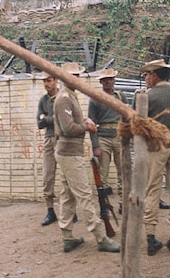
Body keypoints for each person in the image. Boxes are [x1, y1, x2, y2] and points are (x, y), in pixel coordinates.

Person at [53, 62, 120, 254]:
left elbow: (71, 123)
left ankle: (67, 237)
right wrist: (87, 126)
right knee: (84, 195)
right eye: (73, 76)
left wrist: (83, 122)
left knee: (67, 196)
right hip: (69, 153)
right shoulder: (64, 98)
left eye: (77, 75)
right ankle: (100, 237)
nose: (76, 79)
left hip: (69, 152)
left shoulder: (69, 96)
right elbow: (68, 129)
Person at [139, 59, 170, 256]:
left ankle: (150, 236)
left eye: (148, 75)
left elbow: (140, 123)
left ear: (155, 75)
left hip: (156, 145)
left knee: (152, 189)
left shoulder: (147, 96)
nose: (146, 79)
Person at [87, 69, 125, 211]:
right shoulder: (95, 99)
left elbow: (127, 117)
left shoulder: (121, 96)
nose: (108, 81)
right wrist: (95, 145)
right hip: (103, 137)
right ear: (101, 82)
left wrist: (129, 138)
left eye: (111, 79)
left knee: (123, 171)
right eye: (105, 79)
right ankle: (104, 204)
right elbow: (91, 124)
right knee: (103, 173)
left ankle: (123, 202)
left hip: (120, 136)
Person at [36, 71, 60, 226]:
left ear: (56, 81)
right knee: (48, 176)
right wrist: (46, 120)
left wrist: (47, 118)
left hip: (63, 138)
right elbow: (39, 123)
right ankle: (50, 211)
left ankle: (71, 211)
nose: (47, 84)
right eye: (44, 81)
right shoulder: (43, 100)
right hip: (49, 139)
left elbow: (63, 119)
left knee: (67, 177)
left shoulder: (63, 98)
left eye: (49, 80)